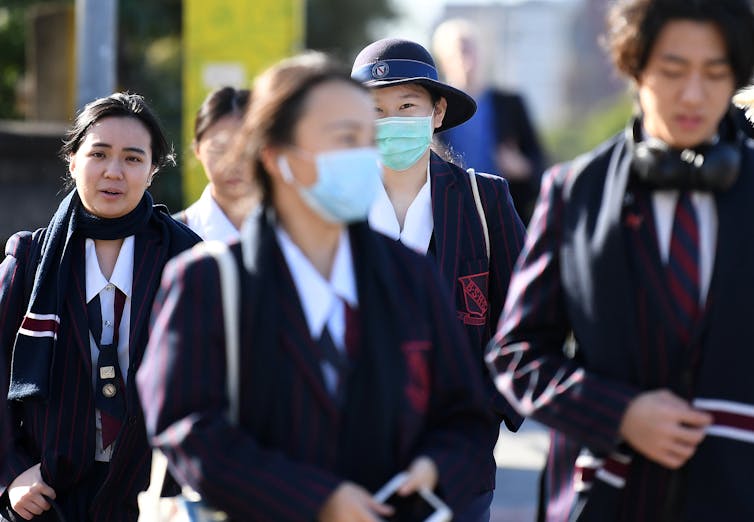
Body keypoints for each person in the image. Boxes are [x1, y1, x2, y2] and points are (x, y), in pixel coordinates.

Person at [136, 52, 490, 522]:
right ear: (278, 157)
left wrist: (433, 466)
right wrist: (316, 499)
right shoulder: (208, 283)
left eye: (367, 137)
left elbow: (464, 414)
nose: (368, 153)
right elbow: (188, 431)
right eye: (345, 138)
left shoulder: (410, 277)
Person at [485, 0, 754, 520]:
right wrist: (620, 413)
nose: (693, 94)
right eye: (673, 71)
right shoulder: (575, 191)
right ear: (635, 68)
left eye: (715, 74)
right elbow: (516, 352)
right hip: (604, 500)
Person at [0, 92, 201, 521]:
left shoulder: (188, 259)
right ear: (73, 160)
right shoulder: (30, 259)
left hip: (155, 496)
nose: (114, 171)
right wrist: (11, 472)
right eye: (99, 154)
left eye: (132, 158)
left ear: (152, 170)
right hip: (48, 495)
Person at [351, 38, 526, 521]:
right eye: (375, 109)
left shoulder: (483, 202)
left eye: (407, 105)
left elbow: (528, 319)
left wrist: (485, 409)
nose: (391, 121)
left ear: (437, 111)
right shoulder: (330, 209)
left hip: (457, 462)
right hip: (350, 457)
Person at [432, 19, 546, 224]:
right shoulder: (435, 108)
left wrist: (522, 167)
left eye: (470, 49)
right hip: (451, 215)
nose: (465, 59)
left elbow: (540, 164)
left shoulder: (510, 104)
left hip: (504, 214)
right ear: (443, 59)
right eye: (457, 51)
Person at [174, 86, 257, 241]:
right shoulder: (172, 236)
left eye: (244, 151)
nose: (233, 164)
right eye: (219, 150)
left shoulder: (295, 232)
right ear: (197, 149)